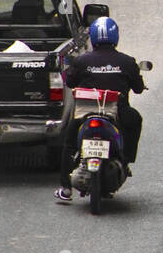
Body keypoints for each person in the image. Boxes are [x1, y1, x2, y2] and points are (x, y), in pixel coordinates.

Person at [55, 17, 145, 203]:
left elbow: (70, 82)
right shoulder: (127, 61)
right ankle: (126, 158)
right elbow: (137, 88)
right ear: (115, 37)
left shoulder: (82, 60)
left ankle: (65, 187)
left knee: (69, 144)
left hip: (85, 114)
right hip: (117, 113)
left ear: (94, 38)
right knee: (135, 120)